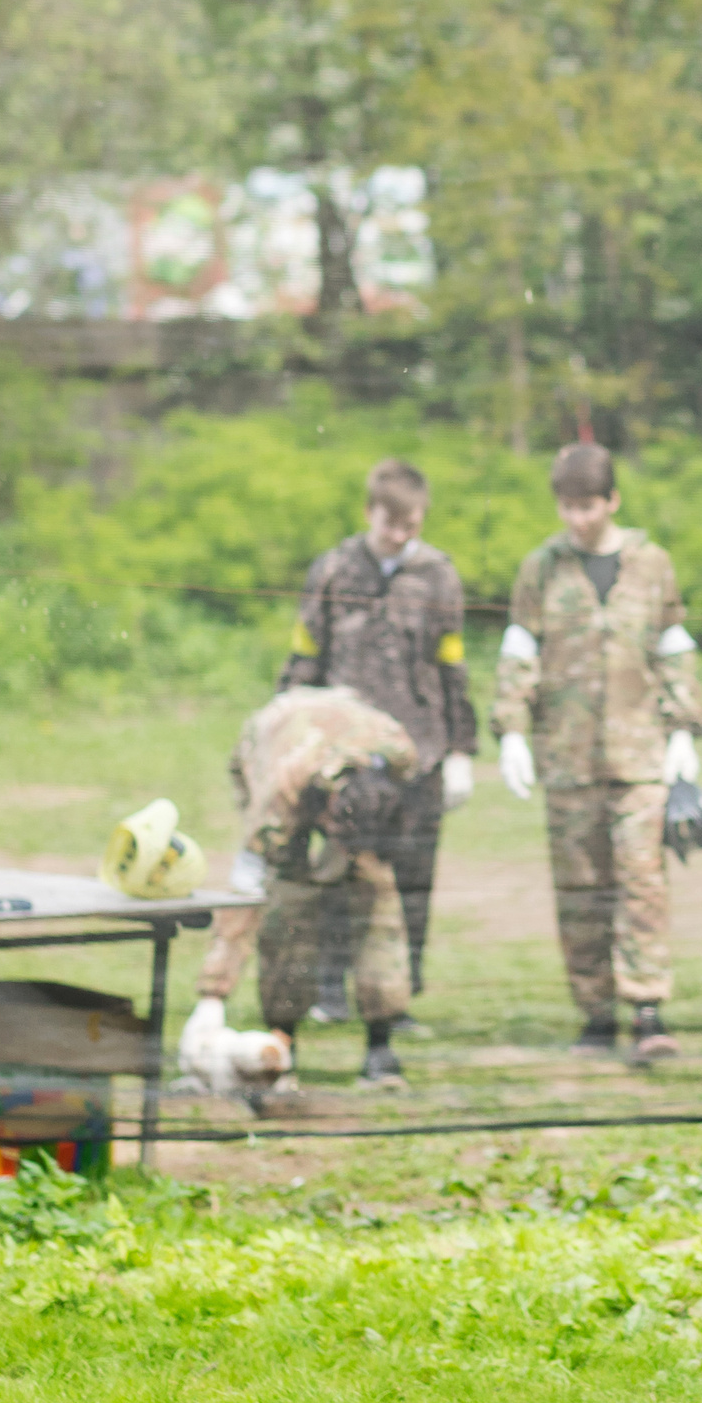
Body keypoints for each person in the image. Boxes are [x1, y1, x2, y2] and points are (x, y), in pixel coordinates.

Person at [493, 441, 702, 1062]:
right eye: (566, 506)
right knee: (580, 888)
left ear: (611, 500)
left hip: (638, 757)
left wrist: (684, 728)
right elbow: (518, 650)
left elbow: (672, 647)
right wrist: (509, 728)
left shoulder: (650, 564)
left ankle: (647, 1009)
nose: (577, 518)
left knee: (642, 885)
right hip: (567, 756)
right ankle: (593, 1013)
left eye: (588, 505)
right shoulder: (542, 568)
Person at [277, 459, 478, 1028]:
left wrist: (462, 750)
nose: (401, 535)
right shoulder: (334, 571)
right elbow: (303, 658)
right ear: (370, 513)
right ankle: (331, 990)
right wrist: (293, 738)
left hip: (420, 756)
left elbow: (452, 669)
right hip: (347, 757)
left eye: (412, 524)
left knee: (412, 881)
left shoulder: (439, 575)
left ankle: (398, 999)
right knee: (341, 874)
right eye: (392, 524)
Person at [196, 687, 420, 1091]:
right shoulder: (279, 791)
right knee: (286, 914)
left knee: (379, 909)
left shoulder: (399, 752)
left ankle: (381, 1047)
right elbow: (243, 893)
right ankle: (284, 1041)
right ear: (326, 812)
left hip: (351, 760)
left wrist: (359, 849)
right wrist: (213, 994)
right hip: (277, 746)